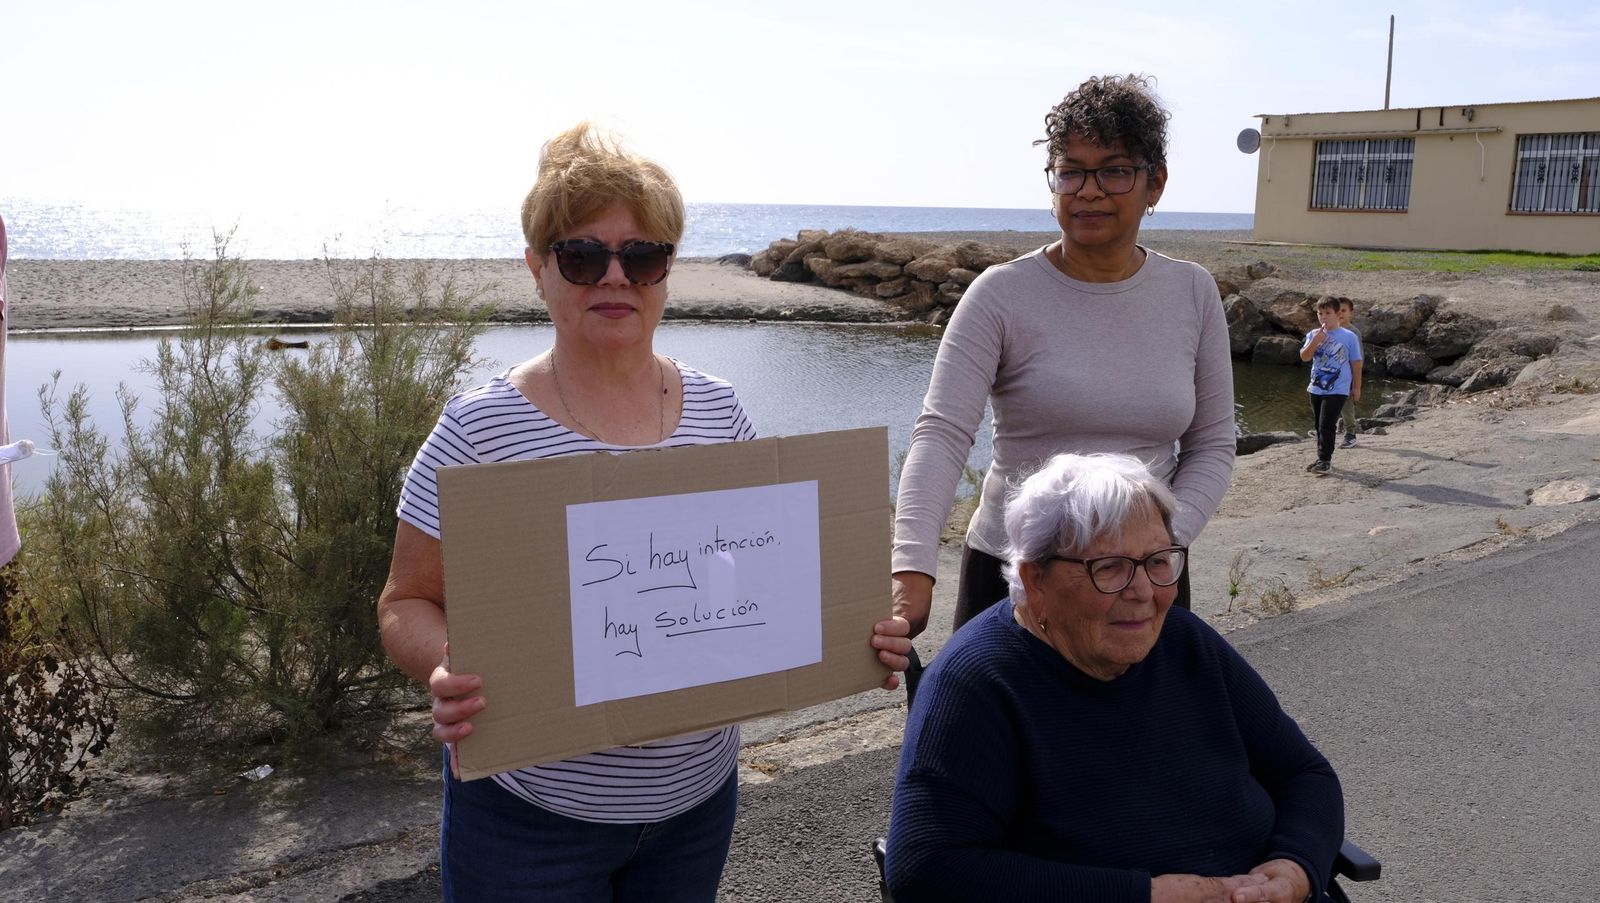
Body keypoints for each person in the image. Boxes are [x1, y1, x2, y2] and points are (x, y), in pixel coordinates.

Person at [378, 123, 771, 902]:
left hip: (696, 804)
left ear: (666, 272)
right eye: (583, 256)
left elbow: (767, 576)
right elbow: (404, 601)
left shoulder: (720, 413)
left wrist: (855, 627)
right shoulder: (479, 429)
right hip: (530, 818)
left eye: (643, 255)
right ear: (538, 270)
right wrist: (445, 664)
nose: (614, 278)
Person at [885, 452, 1345, 903]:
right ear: (1036, 580)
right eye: (1110, 568)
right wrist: (1142, 895)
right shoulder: (978, 683)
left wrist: (1295, 867)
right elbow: (926, 868)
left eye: (1158, 561)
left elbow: (1304, 773)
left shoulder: (1183, 641)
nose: (1143, 592)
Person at [890, 74, 1235, 637]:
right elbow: (942, 434)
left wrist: (1158, 546)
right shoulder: (1000, 294)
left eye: (1115, 170)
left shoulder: (1192, 292)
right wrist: (912, 568)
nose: (1088, 190)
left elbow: (1214, 443)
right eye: (1071, 171)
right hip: (1017, 577)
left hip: (1147, 586)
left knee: (1147, 728)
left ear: (1156, 184)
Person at [1300, 297, 1362, 476]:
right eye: (1320, 313)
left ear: (1337, 314)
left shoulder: (1349, 336)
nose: (1323, 317)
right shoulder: (1313, 334)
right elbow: (1305, 357)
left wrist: (1356, 388)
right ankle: (1322, 457)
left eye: (1328, 313)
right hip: (1316, 387)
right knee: (1318, 425)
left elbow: (1356, 364)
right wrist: (1316, 341)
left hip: (1338, 389)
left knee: (1327, 424)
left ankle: (1325, 461)